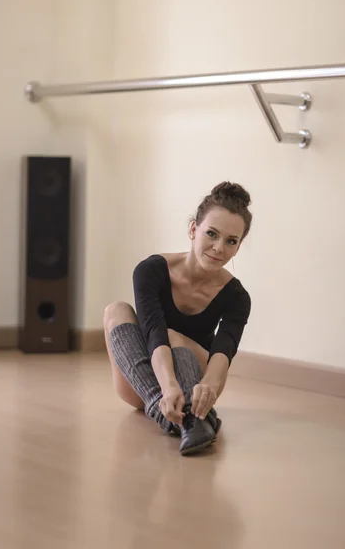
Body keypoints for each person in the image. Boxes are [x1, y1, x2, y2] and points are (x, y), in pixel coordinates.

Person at [103, 181, 252, 455]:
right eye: (211, 234)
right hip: (146, 382)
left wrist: (208, 385)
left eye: (231, 241)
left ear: (238, 247)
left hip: (198, 388)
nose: (219, 248)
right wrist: (168, 386)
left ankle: (188, 416)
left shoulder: (237, 296)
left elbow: (223, 352)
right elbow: (153, 332)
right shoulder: (151, 270)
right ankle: (180, 417)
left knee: (174, 335)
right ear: (193, 230)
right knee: (115, 310)